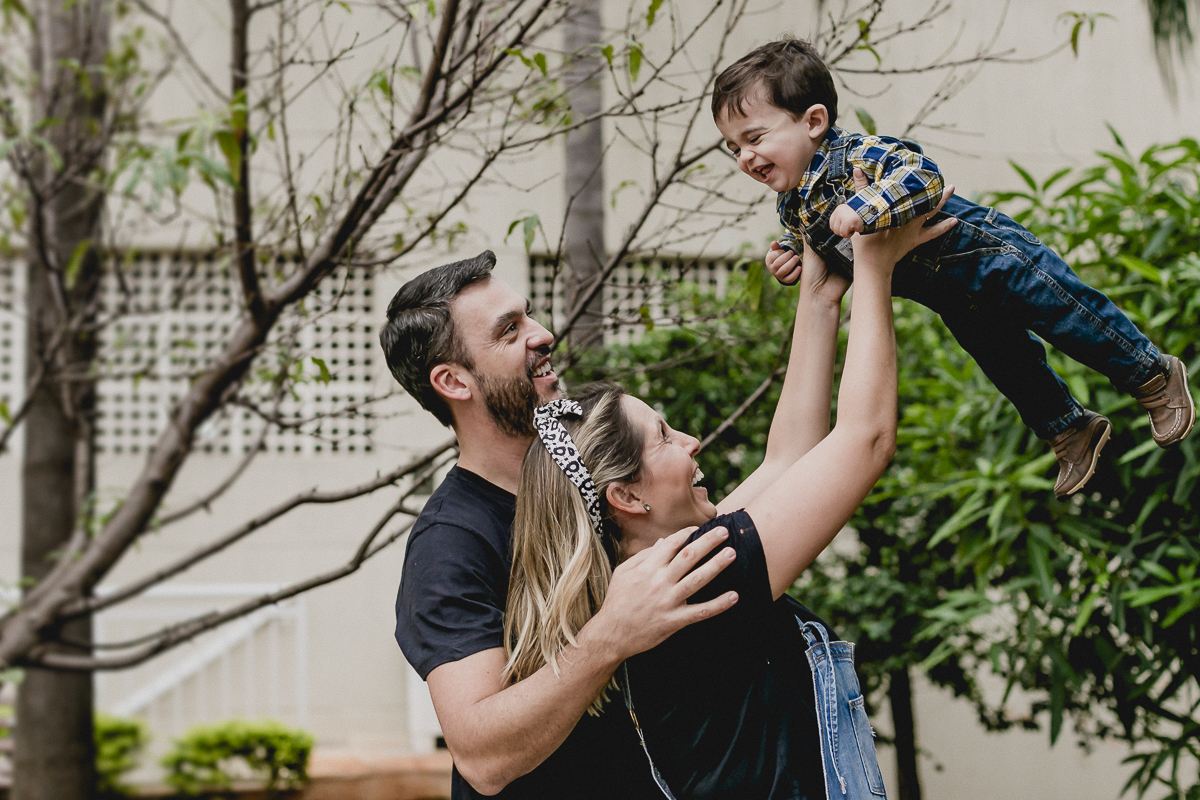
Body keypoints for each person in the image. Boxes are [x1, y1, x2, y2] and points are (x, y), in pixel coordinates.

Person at [504, 174, 958, 799]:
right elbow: (866, 441)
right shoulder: (692, 584)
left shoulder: (666, 573)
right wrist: (875, 269)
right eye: (663, 437)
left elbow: (788, 461)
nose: (691, 442)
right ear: (628, 498)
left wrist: (822, 295)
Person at [711, 38, 1195, 501]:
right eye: (733, 147)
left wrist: (867, 205)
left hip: (987, 252)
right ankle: (1069, 429)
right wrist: (787, 255)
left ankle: (1151, 373)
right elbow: (813, 247)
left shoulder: (855, 155)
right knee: (1007, 361)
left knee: (1064, 313)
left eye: (754, 138)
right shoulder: (794, 204)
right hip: (946, 291)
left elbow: (923, 175)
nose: (744, 157)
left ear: (814, 120)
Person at [378, 251, 741, 799]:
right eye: (509, 331)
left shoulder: (600, 480)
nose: (543, 334)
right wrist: (608, 637)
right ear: (453, 381)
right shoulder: (450, 543)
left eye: (528, 316)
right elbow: (482, 756)